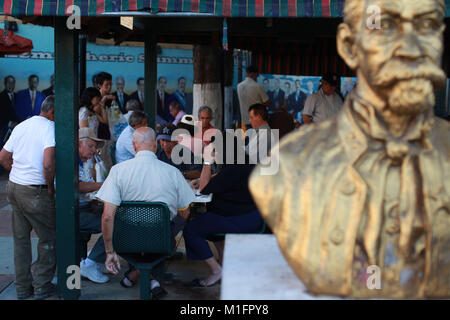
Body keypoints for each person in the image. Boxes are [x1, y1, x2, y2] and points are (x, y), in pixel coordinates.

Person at [249, 0, 450, 298]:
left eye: (426, 25)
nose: (411, 47)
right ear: (349, 45)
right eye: (385, 25)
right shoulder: (287, 166)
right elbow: (307, 119)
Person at [96, 127, 195, 298]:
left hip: (127, 242)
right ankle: (151, 278)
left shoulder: (118, 171)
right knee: (175, 223)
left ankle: (139, 275)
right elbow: (185, 214)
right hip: (161, 241)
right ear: (156, 145)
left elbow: (107, 217)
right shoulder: (173, 172)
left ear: (134, 146)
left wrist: (110, 252)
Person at [184, 142, 263, 287]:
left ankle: (216, 271)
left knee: (191, 228)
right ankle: (223, 262)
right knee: (209, 219)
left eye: (217, 153)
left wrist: (207, 162)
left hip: (240, 220)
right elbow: (221, 177)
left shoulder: (233, 170)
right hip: (253, 216)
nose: (216, 156)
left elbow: (203, 189)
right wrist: (203, 178)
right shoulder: (245, 164)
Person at [0, 96, 56, 300]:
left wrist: (18, 173)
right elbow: (49, 164)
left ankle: (22, 288)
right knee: (49, 238)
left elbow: (3, 157)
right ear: (52, 112)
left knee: (21, 241)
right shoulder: (50, 128)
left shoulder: (22, 125)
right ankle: (42, 285)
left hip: (14, 187)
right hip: (35, 191)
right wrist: (50, 188)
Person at [77, 127, 109, 284]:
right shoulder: (72, 161)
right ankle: (90, 262)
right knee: (115, 224)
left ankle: (91, 260)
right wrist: (103, 184)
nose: (94, 150)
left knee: (120, 215)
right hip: (74, 212)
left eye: (95, 147)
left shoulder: (84, 162)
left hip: (86, 206)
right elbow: (78, 186)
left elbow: (89, 186)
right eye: (90, 146)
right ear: (78, 144)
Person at [0, 75, 19, 147]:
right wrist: (9, 123)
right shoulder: (1, 97)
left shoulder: (18, 96)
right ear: (5, 84)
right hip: (4, 131)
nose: (11, 85)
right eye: (9, 82)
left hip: (17, 130)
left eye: (12, 83)